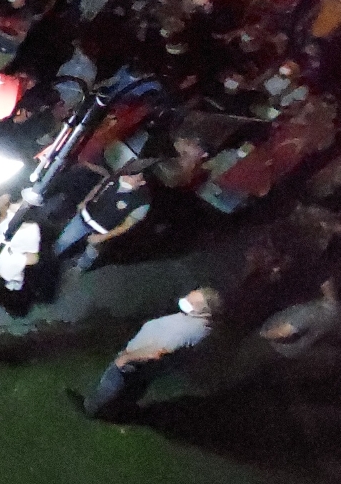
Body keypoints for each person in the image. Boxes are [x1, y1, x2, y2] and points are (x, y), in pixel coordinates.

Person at [77, 287, 220, 420]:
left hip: (135, 361)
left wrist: (126, 357)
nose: (185, 301)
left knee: (111, 382)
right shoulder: (199, 322)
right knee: (133, 387)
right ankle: (117, 410)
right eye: (188, 297)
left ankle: (90, 408)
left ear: (205, 311)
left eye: (192, 302)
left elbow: (156, 351)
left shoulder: (184, 331)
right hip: (149, 367)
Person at [54, 162, 152, 271]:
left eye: (134, 176)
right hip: (86, 216)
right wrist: (85, 201)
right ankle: (50, 259)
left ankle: (80, 267)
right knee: (64, 239)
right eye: (130, 173)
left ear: (142, 182)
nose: (128, 177)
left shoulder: (142, 202)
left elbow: (127, 225)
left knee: (91, 253)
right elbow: (99, 188)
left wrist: (102, 237)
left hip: (103, 231)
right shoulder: (116, 178)